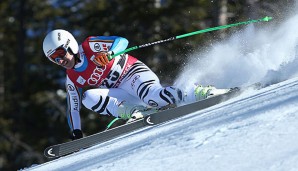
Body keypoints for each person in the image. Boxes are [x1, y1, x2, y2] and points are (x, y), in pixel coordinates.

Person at [42, 29, 230, 140]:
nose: (60, 61)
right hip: (120, 92)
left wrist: (109, 53)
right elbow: (72, 108)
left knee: (155, 97)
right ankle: (137, 111)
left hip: (132, 74)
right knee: (87, 98)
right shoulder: (72, 77)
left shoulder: (90, 46)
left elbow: (121, 42)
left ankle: (199, 92)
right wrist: (76, 132)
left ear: (70, 45)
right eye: (54, 59)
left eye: (60, 54)